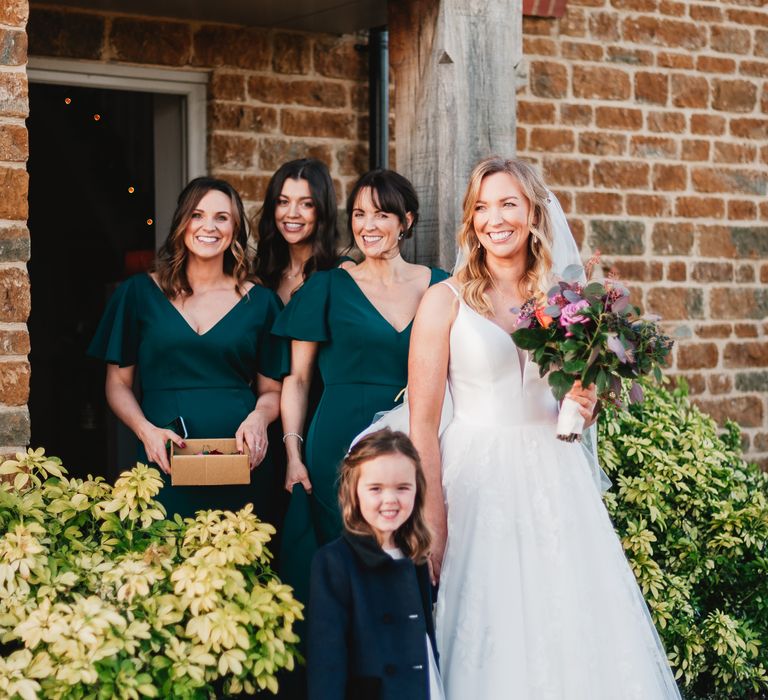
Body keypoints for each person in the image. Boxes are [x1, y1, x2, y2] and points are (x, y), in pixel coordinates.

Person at [408, 157, 682, 699]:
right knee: (490, 617)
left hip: (554, 478)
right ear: (471, 219)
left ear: (534, 210)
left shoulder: (568, 302)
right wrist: (431, 513)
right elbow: (421, 419)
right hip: (473, 481)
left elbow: (580, 404)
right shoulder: (444, 302)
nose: (495, 218)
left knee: (568, 616)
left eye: (508, 202)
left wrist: (588, 401)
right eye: (482, 206)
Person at [273, 169, 449, 608]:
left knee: (412, 560)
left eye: (381, 215)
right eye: (358, 214)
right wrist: (293, 454)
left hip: (418, 438)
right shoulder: (327, 287)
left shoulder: (442, 286)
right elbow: (297, 379)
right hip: (337, 444)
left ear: (406, 221)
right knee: (343, 572)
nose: (368, 226)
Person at [88, 177, 288, 521]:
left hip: (241, 464)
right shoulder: (137, 294)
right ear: (182, 222)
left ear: (236, 227)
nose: (209, 226)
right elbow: (117, 385)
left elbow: (272, 391)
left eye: (222, 217)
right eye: (197, 215)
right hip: (162, 460)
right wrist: (145, 431)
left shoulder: (262, 302)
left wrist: (259, 419)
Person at [308, 429, 443, 700]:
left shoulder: (414, 556)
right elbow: (327, 662)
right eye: (376, 489)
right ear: (353, 492)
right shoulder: (334, 562)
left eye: (403, 488)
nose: (390, 499)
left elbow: (424, 636)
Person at [253, 158, 346, 306]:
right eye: (283, 202)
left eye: (306, 204)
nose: (292, 213)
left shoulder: (340, 273)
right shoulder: (261, 273)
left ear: (322, 210)